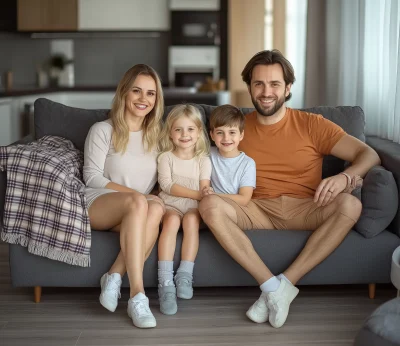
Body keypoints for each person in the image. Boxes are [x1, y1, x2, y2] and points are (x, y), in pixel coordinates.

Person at [198, 50, 381, 328]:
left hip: (307, 207)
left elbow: (369, 155)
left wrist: (345, 178)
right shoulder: (234, 128)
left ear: (288, 88)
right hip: (253, 209)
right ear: (249, 87)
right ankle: (271, 286)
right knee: (209, 205)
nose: (266, 92)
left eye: (274, 84)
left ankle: (286, 284)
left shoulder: (313, 125)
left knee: (350, 204)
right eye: (258, 84)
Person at [83, 64, 165, 329]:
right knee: (142, 202)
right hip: (98, 203)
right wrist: (139, 196)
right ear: (124, 93)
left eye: (151, 93)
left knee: (155, 208)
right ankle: (137, 296)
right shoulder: (102, 130)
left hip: (136, 210)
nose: (144, 99)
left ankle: (114, 276)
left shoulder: (158, 137)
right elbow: (92, 178)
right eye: (137, 91)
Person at [156, 104, 211, 315]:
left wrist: (204, 193)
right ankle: (166, 282)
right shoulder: (165, 157)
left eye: (190, 129)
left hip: (193, 208)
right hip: (170, 204)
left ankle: (185, 274)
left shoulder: (203, 160)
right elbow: (167, 185)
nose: (184, 134)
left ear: (198, 133)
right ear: (170, 133)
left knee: (191, 221)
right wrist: (198, 193)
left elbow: (204, 186)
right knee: (171, 221)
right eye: (178, 129)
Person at [202, 104, 256, 207]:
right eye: (220, 133)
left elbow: (244, 199)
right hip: (211, 205)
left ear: (241, 135)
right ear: (212, 135)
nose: (226, 138)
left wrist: (215, 195)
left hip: (235, 208)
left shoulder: (247, 163)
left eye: (232, 132)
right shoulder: (207, 153)